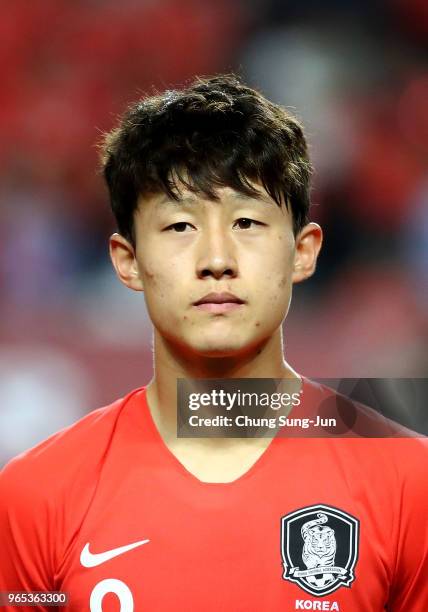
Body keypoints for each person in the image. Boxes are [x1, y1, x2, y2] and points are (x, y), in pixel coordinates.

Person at [0, 75, 427, 612]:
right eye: (180, 227)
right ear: (127, 262)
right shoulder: (36, 496)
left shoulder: (411, 483)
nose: (216, 259)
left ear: (303, 251)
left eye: (247, 221)